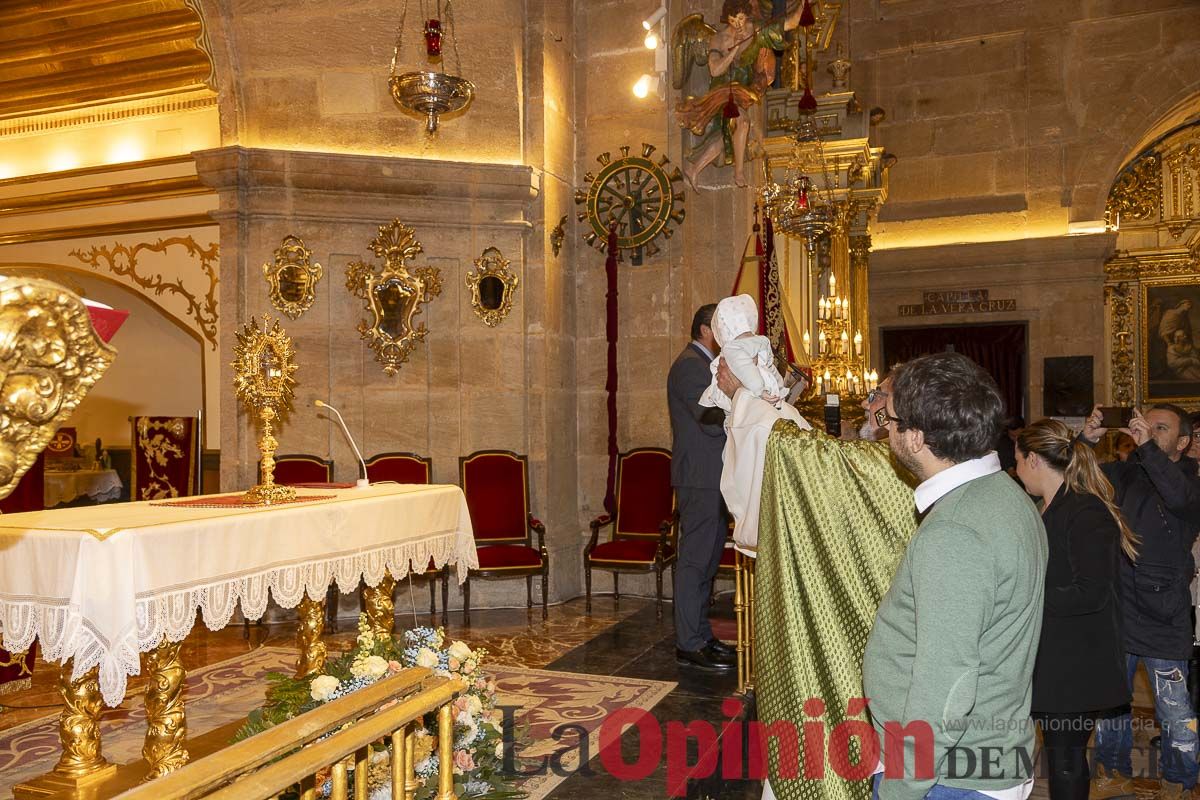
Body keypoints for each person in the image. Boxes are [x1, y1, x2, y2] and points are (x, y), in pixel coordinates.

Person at [863, 352, 1047, 800]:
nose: (886, 428)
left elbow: (946, 686)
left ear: (918, 437)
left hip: (951, 778)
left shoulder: (956, 532)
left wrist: (902, 787)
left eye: (891, 419)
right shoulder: (1006, 492)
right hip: (979, 759)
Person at [1082, 404, 1200, 800]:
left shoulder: (1190, 478)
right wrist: (1087, 441)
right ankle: (1113, 771)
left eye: (1160, 428)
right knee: (1113, 705)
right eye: (1145, 424)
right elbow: (1076, 481)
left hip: (1164, 615)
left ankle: (1179, 782)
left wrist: (1146, 448)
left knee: (1175, 712)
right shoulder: (1127, 470)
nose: (1147, 431)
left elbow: (1177, 497)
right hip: (1119, 609)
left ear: (1182, 442)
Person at [1015, 419, 1136, 800]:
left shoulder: (1086, 511)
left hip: (1077, 666)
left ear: (1033, 459)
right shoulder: (1045, 506)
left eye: (1017, 460)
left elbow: (1091, 593)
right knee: (1059, 760)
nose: (1015, 469)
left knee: (1066, 762)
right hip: (1053, 659)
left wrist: (1024, 598)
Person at [667, 304, 737, 673]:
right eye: (722, 328)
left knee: (708, 560)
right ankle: (689, 643)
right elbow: (710, 418)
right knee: (695, 561)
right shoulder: (690, 366)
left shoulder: (703, 364)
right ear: (706, 329)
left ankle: (702, 636)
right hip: (700, 477)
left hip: (712, 476)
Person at [675, 0, 806, 189]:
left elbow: (791, 23)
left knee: (726, 136)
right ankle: (738, 174)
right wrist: (733, 50)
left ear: (747, 16)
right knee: (743, 123)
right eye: (733, 20)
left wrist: (803, 5)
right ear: (726, 18)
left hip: (743, 92)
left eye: (741, 20)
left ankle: (694, 169)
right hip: (723, 92)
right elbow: (715, 70)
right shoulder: (719, 39)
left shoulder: (757, 31)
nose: (738, 25)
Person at [699, 294, 787, 412]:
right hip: (761, 389)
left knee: (738, 421)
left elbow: (749, 368)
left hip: (755, 390)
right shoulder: (760, 340)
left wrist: (763, 390)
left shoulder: (732, 347)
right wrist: (778, 388)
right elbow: (768, 368)